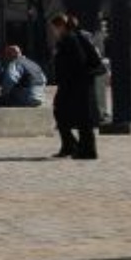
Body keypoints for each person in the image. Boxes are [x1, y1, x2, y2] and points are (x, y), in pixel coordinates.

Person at [50, 13, 104, 160]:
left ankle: (86, 150)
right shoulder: (68, 39)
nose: (53, 32)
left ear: (60, 26)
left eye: (54, 28)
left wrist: (69, 78)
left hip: (76, 84)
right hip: (73, 84)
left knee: (81, 118)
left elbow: (79, 62)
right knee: (64, 113)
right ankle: (72, 146)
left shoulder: (71, 39)